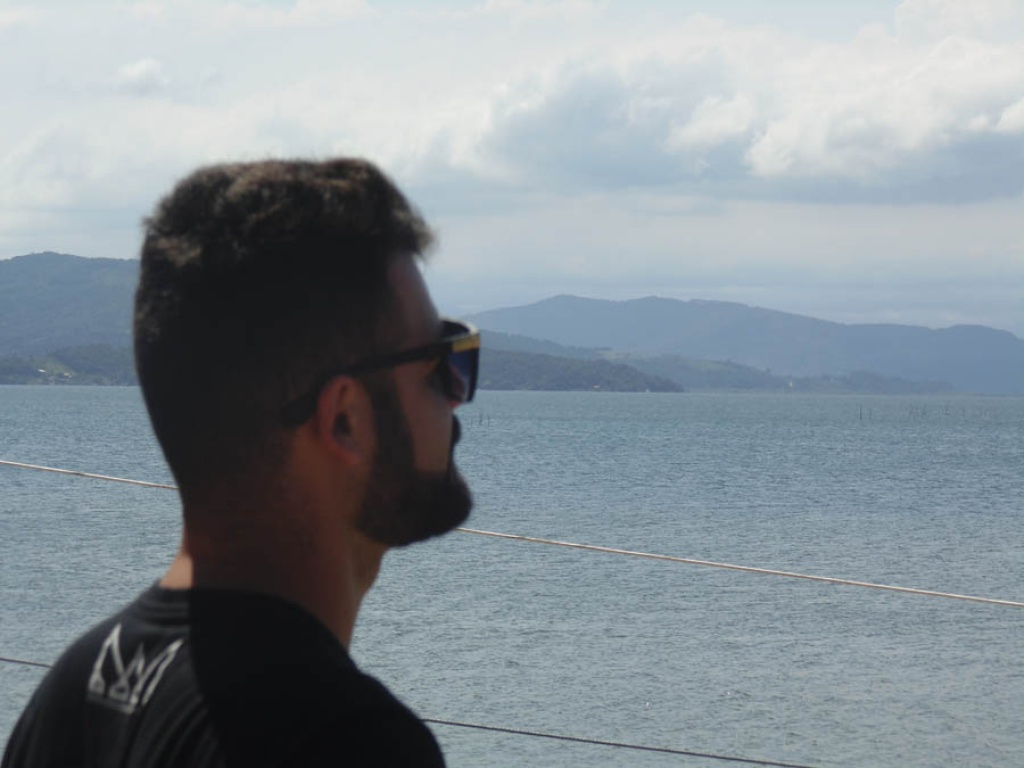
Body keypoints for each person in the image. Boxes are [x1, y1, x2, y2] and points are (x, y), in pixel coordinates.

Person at [2, 158, 480, 767]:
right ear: (344, 419)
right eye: (444, 360)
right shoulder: (345, 740)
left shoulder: (75, 693)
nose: (457, 395)